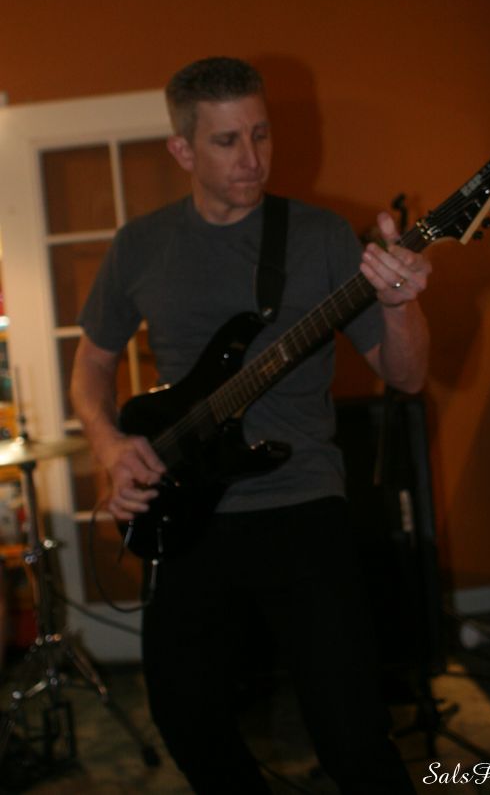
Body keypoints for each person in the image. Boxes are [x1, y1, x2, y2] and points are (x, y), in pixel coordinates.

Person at [70, 56, 431, 794]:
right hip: (187, 512)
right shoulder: (140, 246)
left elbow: (408, 376)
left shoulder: (321, 236)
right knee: (185, 718)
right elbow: (92, 367)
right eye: (227, 140)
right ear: (182, 149)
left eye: (261, 134)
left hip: (301, 499)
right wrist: (111, 445)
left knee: (353, 735)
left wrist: (401, 306)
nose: (253, 158)